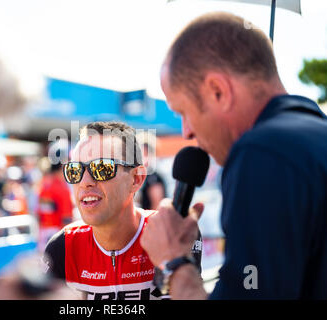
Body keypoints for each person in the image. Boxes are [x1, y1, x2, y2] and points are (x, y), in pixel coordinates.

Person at [140, 12, 327, 299]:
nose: (186, 131)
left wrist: (174, 260)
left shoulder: (262, 154)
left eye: (183, 112)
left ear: (218, 91)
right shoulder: (313, 134)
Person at [43, 121, 202, 300]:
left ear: (136, 179)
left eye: (102, 168)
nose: (84, 181)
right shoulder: (62, 247)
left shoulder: (170, 236)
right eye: (74, 170)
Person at [37, 158, 74, 251]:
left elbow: (39, 212)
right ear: (62, 167)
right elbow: (67, 218)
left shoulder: (43, 184)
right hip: (58, 233)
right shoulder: (62, 188)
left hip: (44, 232)